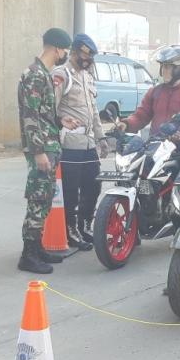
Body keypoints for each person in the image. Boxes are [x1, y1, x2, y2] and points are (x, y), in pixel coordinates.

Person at [17, 28, 73, 274]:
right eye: (65, 51)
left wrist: (62, 122)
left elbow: (43, 113)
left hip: (49, 145)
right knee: (38, 199)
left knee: (46, 197)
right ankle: (28, 255)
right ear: (57, 49)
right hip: (42, 149)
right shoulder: (35, 75)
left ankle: (37, 248)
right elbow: (30, 117)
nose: (64, 56)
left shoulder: (43, 74)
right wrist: (39, 151)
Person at [52, 34, 107, 251]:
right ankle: (70, 229)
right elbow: (49, 109)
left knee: (94, 185)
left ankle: (85, 224)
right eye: (85, 55)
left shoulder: (88, 77)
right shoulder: (61, 75)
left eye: (91, 56)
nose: (88, 60)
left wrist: (101, 138)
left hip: (88, 143)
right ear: (74, 52)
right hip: (69, 144)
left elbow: (93, 111)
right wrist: (58, 124)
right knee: (70, 190)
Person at [116, 45, 180, 142]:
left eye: (167, 67)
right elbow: (141, 116)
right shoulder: (155, 92)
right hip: (156, 147)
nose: (163, 71)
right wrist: (126, 124)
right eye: (162, 66)